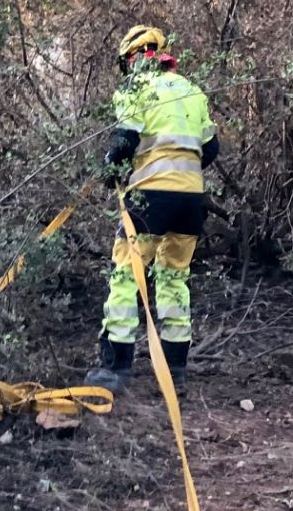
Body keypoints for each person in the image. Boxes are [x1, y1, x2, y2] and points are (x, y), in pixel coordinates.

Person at [85, 24, 217, 394]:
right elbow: (210, 150)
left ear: (132, 58)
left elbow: (126, 137)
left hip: (151, 197)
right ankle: (175, 369)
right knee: (175, 277)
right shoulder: (192, 90)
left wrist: (111, 166)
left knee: (127, 273)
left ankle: (116, 367)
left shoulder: (135, 87)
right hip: (191, 199)